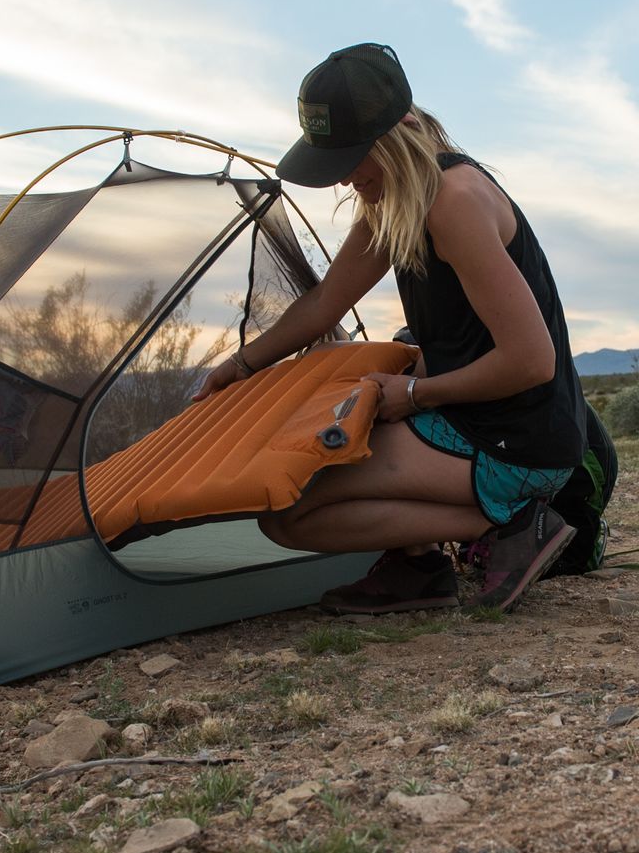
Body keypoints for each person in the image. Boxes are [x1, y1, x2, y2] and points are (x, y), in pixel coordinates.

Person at [194, 42, 586, 614]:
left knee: (291, 512)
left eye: (354, 158)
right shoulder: (397, 198)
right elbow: (327, 301)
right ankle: (420, 566)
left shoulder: (453, 200)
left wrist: (414, 394)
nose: (346, 179)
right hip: (468, 420)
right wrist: (240, 365)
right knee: (300, 472)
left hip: (520, 437)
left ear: (395, 137)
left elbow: (531, 360)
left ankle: (513, 521)